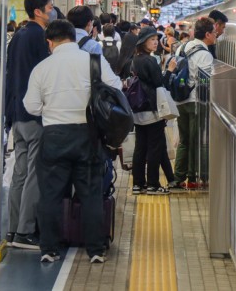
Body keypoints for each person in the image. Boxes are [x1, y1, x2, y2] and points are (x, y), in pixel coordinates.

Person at [23, 20, 121, 264]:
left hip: (54, 136)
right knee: (90, 194)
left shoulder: (42, 68)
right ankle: (96, 250)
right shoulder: (94, 63)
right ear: (74, 38)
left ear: (50, 42)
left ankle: (49, 249)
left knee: (51, 195)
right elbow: (116, 88)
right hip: (87, 135)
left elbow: (31, 106)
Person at [4, 0, 53, 249]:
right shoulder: (40, 37)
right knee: (35, 174)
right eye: (50, 7)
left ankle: (12, 230)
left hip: (17, 115)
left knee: (19, 174)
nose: (52, 12)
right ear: (39, 11)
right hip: (35, 115)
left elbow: (11, 76)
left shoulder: (18, 36)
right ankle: (25, 232)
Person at [171, 17, 215, 189]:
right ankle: (196, 178)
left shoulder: (182, 47)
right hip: (196, 102)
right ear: (207, 34)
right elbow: (205, 82)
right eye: (214, 32)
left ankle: (179, 177)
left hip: (181, 100)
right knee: (197, 140)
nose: (216, 35)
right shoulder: (204, 54)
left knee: (184, 140)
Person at [129, 26, 173, 195]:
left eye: (156, 39)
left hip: (138, 109)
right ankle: (153, 184)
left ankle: (138, 184)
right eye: (152, 40)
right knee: (154, 148)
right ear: (143, 42)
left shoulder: (135, 59)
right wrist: (169, 71)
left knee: (140, 147)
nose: (156, 42)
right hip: (151, 109)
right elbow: (160, 83)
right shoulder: (150, 60)